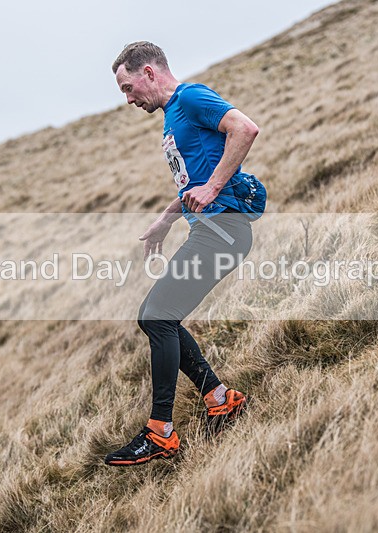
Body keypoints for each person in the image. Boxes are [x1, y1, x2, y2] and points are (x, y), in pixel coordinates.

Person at [104, 41, 266, 466]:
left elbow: (245, 128)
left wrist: (213, 188)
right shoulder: (171, 119)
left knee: (156, 316)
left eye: (128, 87)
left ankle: (161, 432)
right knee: (159, 317)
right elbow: (191, 180)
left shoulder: (190, 98)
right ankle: (219, 398)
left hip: (223, 232)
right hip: (214, 231)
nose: (128, 99)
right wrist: (165, 220)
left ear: (149, 73)